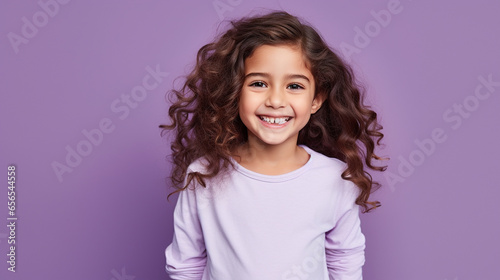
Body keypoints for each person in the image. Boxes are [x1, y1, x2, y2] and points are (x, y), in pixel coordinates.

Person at [159, 10, 386, 280]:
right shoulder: (204, 176)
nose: (276, 100)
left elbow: (345, 262)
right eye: (258, 83)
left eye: (294, 86)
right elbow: (186, 266)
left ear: (316, 99)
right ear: (234, 92)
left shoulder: (336, 178)